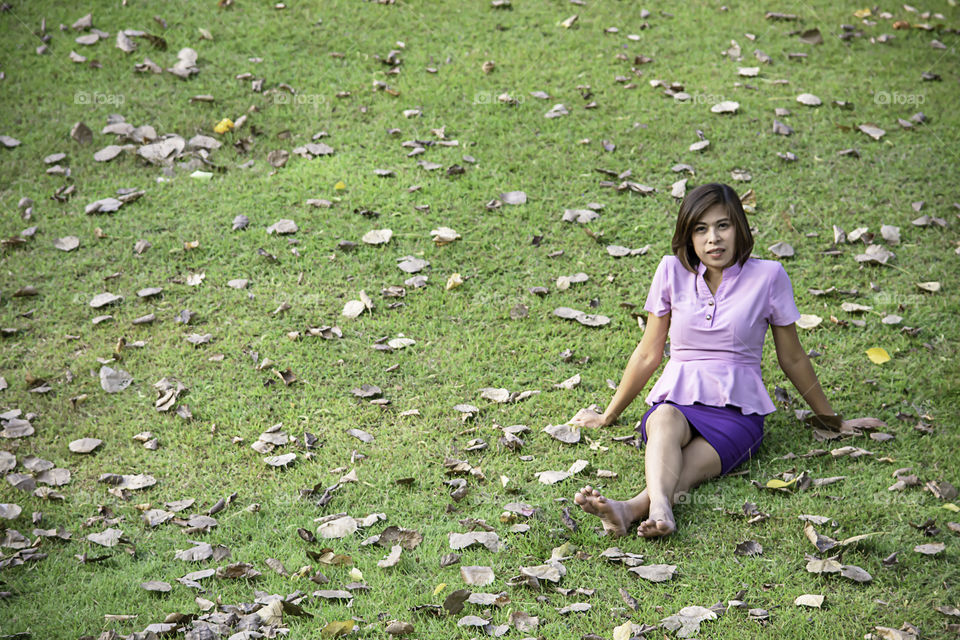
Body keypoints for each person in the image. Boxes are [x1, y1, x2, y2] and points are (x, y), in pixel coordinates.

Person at [571, 182, 841, 538]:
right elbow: (649, 352)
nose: (713, 238)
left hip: (736, 415)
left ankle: (632, 508)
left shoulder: (769, 276)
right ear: (689, 236)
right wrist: (609, 414)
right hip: (677, 402)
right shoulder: (670, 270)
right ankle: (658, 509)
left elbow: (792, 357)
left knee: (685, 470)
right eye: (701, 229)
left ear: (739, 229)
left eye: (722, 226)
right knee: (665, 417)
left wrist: (831, 420)